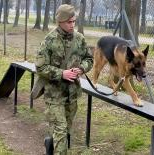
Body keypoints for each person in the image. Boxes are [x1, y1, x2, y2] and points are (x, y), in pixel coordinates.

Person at [35, 4, 93, 155]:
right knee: (60, 129)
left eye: (74, 21)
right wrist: (62, 73)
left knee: (66, 129)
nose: (72, 24)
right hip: (54, 95)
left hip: (72, 93)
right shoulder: (49, 40)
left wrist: (81, 68)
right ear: (60, 21)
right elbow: (40, 68)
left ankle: (50, 144)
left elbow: (89, 59)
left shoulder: (79, 39)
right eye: (69, 22)